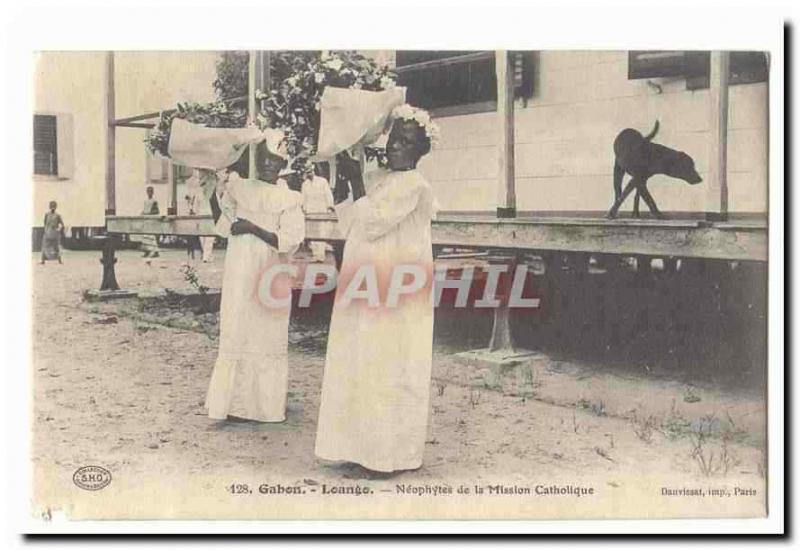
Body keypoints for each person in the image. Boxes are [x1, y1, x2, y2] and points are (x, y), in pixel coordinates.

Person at [314, 105, 439, 474]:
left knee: (389, 360)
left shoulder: (416, 185)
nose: (396, 147)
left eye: (407, 142)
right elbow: (350, 222)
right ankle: (358, 446)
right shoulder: (380, 177)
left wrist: (355, 182)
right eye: (395, 139)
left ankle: (388, 453)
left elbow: (374, 223)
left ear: (420, 151)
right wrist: (341, 179)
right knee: (360, 356)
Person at [205, 129, 305, 423]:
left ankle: (264, 407)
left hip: (269, 270)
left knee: (264, 331)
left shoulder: (289, 198)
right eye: (264, 158)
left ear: (283, 162)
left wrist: (252, 228)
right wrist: (212, 190)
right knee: (237, 326)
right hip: (240, 269)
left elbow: (288, 241)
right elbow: (223, 225)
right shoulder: (240, 188)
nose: (268, 165)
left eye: (275, 160)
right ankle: (235, 405)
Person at [300, 165, 335, 262]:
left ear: (313, 171)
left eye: (310, 171)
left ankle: (321, 255)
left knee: (321, 232)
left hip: (321, 209)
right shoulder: (305, 184)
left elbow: (328, 194)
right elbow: (303, 198)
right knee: (312, 233)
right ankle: (316, 255)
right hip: (310, 211)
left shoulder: (322, 181)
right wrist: (303, 209)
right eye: (307, 172)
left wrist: (329, 207)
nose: (309, 174)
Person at [186, 169, 217, 262]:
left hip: (201, 214)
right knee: (209, 236)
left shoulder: (199, 191)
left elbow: (195, 206)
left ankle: (206, 255)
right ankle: (206, 256)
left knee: (204, 236)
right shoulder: (205, 190)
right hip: (206, 214)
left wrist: (194, 212)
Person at [139, 186, 160, 262]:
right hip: (146, 220)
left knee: (151, 236)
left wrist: (149, 213)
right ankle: (146, 251)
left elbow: (157, 211)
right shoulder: (146, 201)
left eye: (151, 191)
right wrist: (142, 213)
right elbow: (144, 209)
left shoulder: (154, 201)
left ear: (153, 192)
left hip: (151, 220)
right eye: (148, 191)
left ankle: (155, 252)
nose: (149, 193)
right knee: (145, 236)